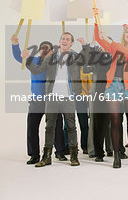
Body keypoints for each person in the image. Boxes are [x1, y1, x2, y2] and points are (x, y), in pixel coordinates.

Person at [23, 32, 83, 167]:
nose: (65, 41)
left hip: (68, 96)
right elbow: (37, 70)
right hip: (52, 97)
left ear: (72, 43)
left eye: (68, 39)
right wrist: (27, 60)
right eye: (63, 39)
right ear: (59, 41)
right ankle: (46, 157)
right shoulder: (51, 57)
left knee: (71, 127)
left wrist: (85, 46)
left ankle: (74, 155)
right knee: (49, 127)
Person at [93, 11, 128, 168]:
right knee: (115, 120)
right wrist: (97, 22)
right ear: (124, 35)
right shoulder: (115, 48)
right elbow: (98, 39)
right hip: (113, 86)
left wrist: (111, 40)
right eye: (127, 31)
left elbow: (127, 53)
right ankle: (116, 156)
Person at [11, 35, 66, 164]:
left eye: (47, 48)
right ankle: (34, 155)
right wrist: (15, 45)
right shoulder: (33, 61)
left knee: (57, 126)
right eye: (42, 48)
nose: (44, 50)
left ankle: (60, 152)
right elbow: (18, 57)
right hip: (37, 101)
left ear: (52, 51)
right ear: (39, 50)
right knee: (32, 127)